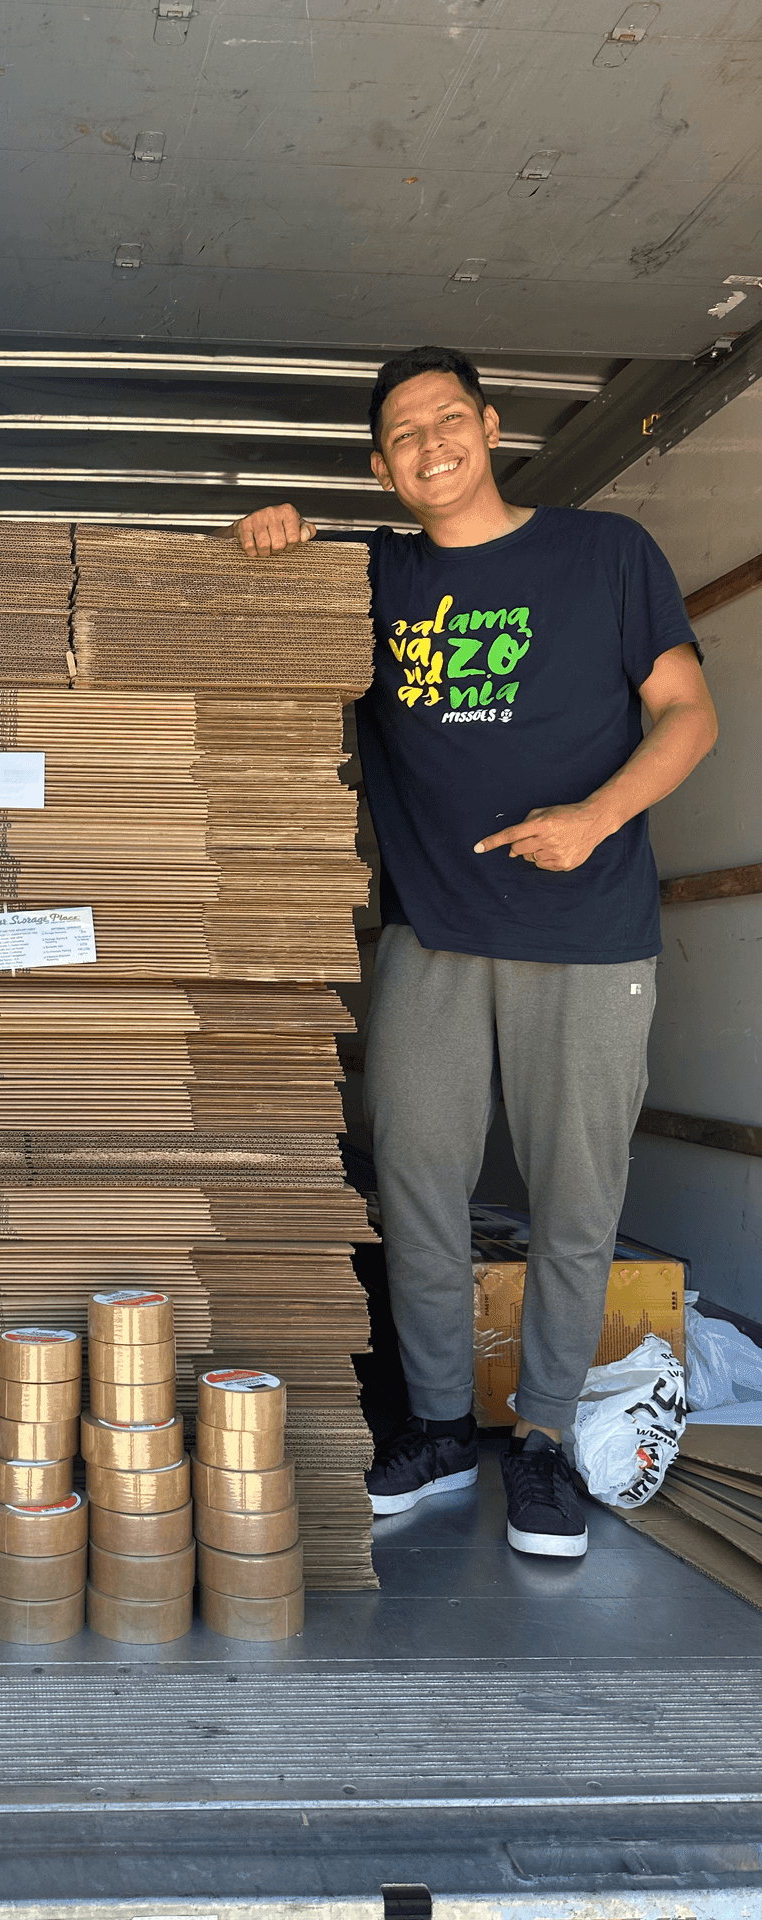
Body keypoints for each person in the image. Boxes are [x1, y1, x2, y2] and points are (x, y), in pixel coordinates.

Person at [232, 345, 717, 1559]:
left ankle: (543, 1444)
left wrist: (596, 818)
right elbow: (267, 617)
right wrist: (275, 541)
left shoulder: (604, 554)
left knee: (574, 1199)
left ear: (491, 427)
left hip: (588, 931)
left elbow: (689, 712)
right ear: (382, 466)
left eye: (448, 419)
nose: (429, 445)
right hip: (434, 934)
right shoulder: (376, 575)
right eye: (401, 434)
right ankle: (443, 1428)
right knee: (417, 1186)